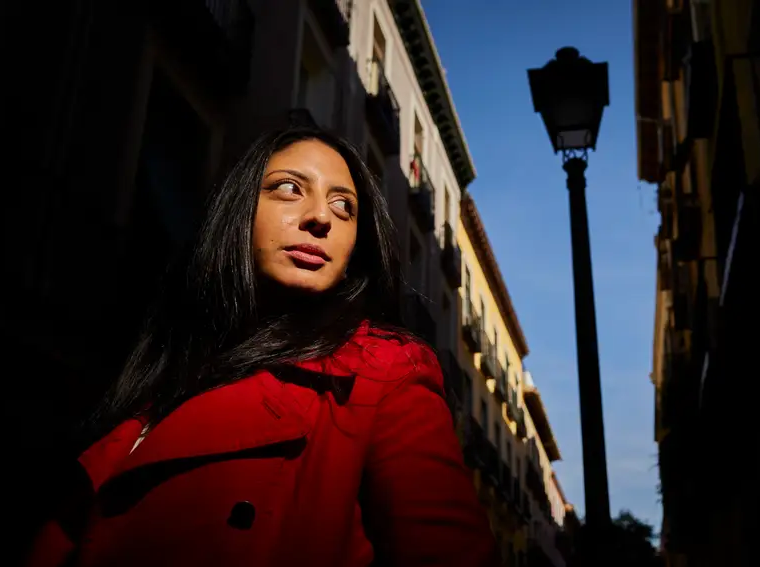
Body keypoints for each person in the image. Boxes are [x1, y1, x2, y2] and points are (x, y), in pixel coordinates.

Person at [25, 127, 498, 567]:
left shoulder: (384, 371)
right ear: (239, 209)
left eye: (343, 207)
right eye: (289, 188)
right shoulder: (162, 370)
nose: (319, 217)